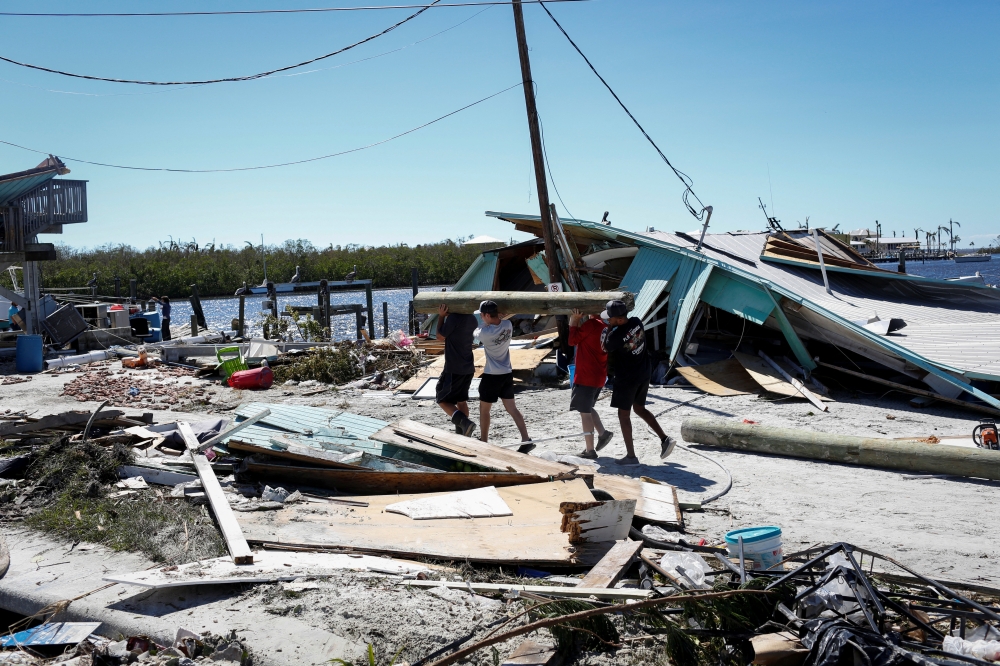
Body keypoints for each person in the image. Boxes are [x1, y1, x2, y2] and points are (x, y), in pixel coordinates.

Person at [600, 299, 675, 465]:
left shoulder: (615, 336)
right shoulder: (636, 321)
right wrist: (613, 324)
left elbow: (605, 347)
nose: (607, 320)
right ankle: (665, 439)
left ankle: (631, 456)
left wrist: (609, 328)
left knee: (623, 415)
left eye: (610, 318)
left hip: (627, 378)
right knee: (640, 409)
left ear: (619, 320)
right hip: (643, 372)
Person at [474, 300, 533, 452]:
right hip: (506, 373)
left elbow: (476, 332)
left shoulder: (484, 333)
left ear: (487, 315)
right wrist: (498, 318)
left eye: (482, 315)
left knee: (484, 410)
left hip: (492, 375)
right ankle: (526, 439)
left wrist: (486, 322)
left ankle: (484, 441)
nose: (481, 317)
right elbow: (500, 321)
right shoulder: (508, 325)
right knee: (512, 408)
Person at [568, 308, 614, 460]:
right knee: (586, 407)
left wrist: (574, 320)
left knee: (584, 412)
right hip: (598, 375)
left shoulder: (592, 324)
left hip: (586, 375)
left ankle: (590, 450)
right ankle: (602, 433)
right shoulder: (605, 326)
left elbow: (571, 340)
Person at [436, 303, 478, 436]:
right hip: (468, 366)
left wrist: (441, 317)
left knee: (441, 398)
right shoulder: (472, 318)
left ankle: (465, 423)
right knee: (461, 400)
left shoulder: (454, 318)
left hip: (454, 367)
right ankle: (462, 433)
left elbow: (440, 336)